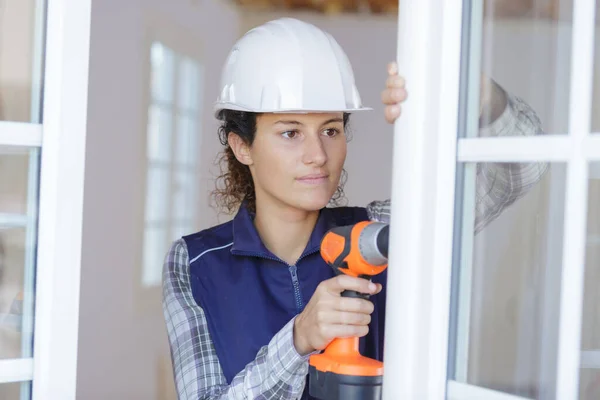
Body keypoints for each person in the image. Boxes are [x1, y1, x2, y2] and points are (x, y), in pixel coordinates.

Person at [162, 18, 547, 400]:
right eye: (290, 132)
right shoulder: (193, 265)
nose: (317, 156)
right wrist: (299, 340)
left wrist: (473, 92)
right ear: (242, 146)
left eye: (330, 130)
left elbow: (521, 169)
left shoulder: (377, 234)